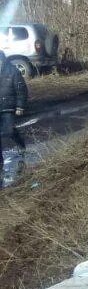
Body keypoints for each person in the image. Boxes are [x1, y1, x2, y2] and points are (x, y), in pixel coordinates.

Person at [0, 52, 28, 187]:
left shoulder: (13, 71)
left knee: (9, 131)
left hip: (9, 107)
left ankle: (20, 143)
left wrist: (20, 106)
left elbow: (21, 89)